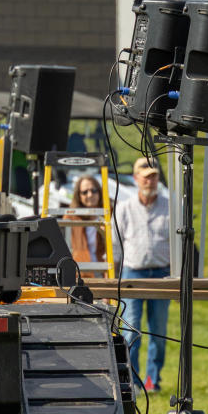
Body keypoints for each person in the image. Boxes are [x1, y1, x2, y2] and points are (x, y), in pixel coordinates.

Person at [115, 156, 170, 393]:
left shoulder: (171, 205)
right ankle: (133, 380)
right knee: (131, 328)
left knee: (158, 330)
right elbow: (116, 245)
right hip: (131, 274)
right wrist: (115, 279)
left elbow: (181, 243)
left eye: (154, 176)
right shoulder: (124, 207)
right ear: (136, 179)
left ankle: (152, 380)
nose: (150, 181)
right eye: (146, 177)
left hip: (161, 273)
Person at [68, 175, 107, 271]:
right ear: (79, 196)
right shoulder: (70, 218)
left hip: (105, 270)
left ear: (99, 192)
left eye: (93, 190)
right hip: (80, 271)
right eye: (85, 192)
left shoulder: (110, 214)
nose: (90, 195)